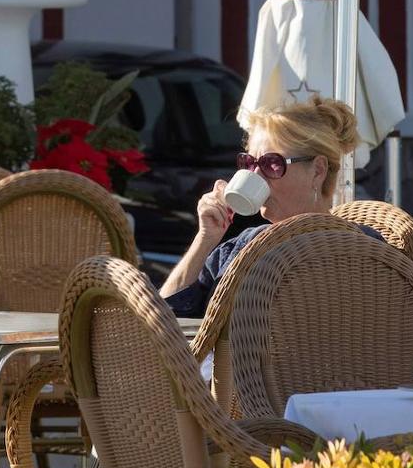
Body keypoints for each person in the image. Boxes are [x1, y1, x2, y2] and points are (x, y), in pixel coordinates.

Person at [159, 95, 382, 317]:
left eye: (271, 164)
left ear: (317, 171)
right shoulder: (241, 246)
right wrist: (205, 238)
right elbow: (166, 321)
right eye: (249, 163)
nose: (255, 175)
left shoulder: (362, 251)